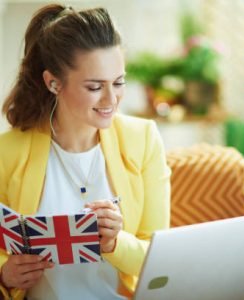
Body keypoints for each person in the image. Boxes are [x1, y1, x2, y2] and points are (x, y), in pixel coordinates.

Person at [0, 4, 171, 300]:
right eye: (94, 87)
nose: (111, 99)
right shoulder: (7, 152)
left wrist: (115, 243)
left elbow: (160, 261)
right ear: (53, 83)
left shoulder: (142, 139)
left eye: (119, 82)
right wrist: (4, 272)